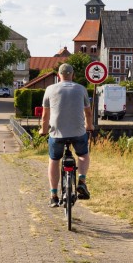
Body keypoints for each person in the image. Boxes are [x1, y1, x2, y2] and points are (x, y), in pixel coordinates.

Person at [39, 63, 94, 207]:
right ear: (73, 75)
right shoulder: (81, 89)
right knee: (83, 155)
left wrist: (43, 130)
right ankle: (81, 180)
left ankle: (53, 195)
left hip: (57, 134)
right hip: (78, 132)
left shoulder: (50, 89)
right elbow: (88, 113)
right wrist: (89, 126)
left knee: (54, 160)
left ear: (58, 75)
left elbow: (45, 115)